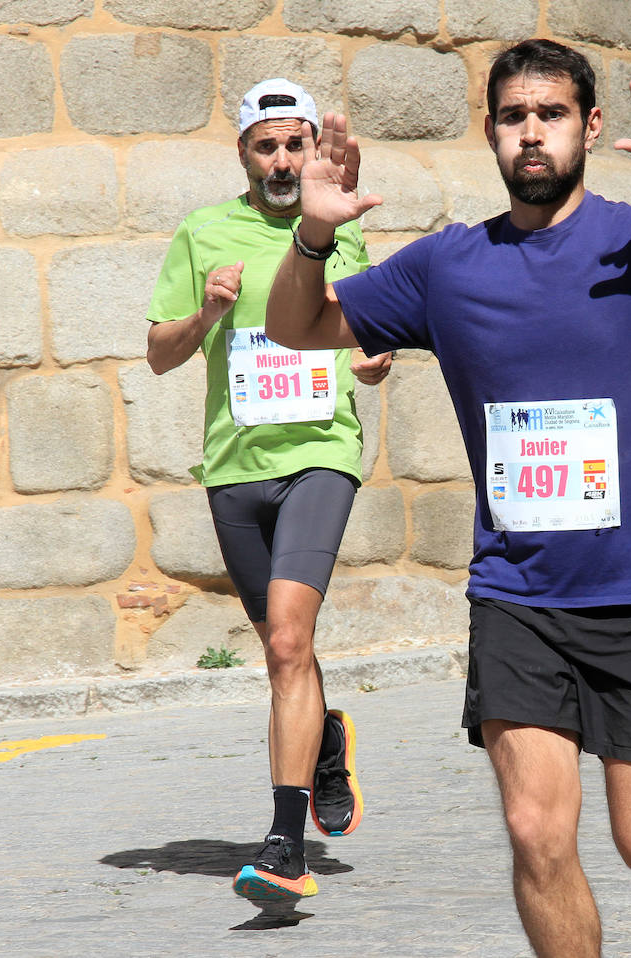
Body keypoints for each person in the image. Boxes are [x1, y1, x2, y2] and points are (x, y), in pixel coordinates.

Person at [264, 39, 631, 958]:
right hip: (518, 594)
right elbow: (295, 330)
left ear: (590, 127)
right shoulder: (446, 267)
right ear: (490, 131)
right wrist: (313, 232)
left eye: (552, 115)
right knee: (535, 833)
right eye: (515, 117)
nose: (533, 134)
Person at [145, 78, 390, 902]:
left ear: (313, 148)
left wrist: (372, 358)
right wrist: (207, 316)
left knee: (289, 641)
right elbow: (158, 353)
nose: (282, 160)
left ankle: (284, 845)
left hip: (322, 452)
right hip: (235, 468)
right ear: (244, 153)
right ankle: (322, 741)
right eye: (266, 145)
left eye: (295, 143)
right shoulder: (203, 232)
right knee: (284, 646)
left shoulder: (337, 226)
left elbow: (365, 333)